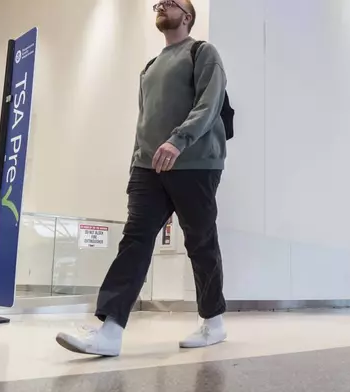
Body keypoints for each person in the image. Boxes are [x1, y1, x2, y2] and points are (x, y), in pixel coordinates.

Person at [56, 0, 228, 357]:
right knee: (134, 240)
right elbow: (144, 120)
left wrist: (178, 140)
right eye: (159, 3)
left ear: (188, 15)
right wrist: (136, 163)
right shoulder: (149, 67)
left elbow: (208, 105)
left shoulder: (202, 53)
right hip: (148, 169)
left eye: (171, 2)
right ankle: (111, 330)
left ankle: (213, 322)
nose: (163, 5)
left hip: (195, 165)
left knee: (200, 243)